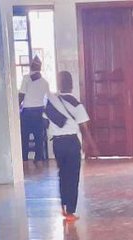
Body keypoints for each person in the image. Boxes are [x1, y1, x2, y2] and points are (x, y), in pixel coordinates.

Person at [44, 71, 96, 222]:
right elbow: (84, 128)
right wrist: (90, 145)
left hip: (58, 143)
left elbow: (45, 121)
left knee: (62, 174)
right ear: (72, 85)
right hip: (72, 143)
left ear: (59, 84)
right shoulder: (76, 103)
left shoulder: (51, 102)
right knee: (72, 177)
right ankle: (71, 212)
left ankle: (64, 205)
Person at [19, 56, 50, 162]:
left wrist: (16, 108)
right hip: (39, 112)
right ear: (40, 68)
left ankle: (24, 159)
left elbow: (21, 95)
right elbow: (48, 99)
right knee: (38, 138)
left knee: (24, 138)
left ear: (31, 67)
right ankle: (39, 158)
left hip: (27, 112)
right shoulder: (45, 82)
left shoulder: (26, 78)